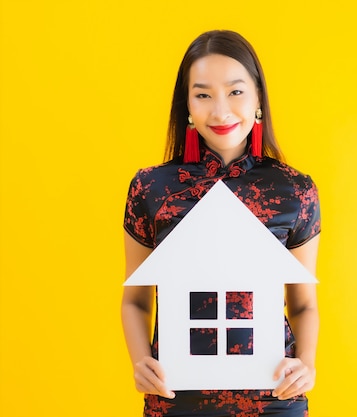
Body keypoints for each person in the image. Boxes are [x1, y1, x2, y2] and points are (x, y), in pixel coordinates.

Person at [121, 30, 321, 417]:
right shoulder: (151, 187)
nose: (220, 111)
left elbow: (304, 304)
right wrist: (140, 360)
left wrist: (307, 365)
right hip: (176, 395)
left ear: (258, 97)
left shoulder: (295, 190)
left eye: (235, 92)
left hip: (274, 397)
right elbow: (135, 298)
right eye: (203, 95)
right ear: (187, 106)